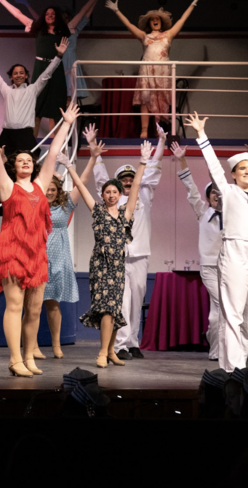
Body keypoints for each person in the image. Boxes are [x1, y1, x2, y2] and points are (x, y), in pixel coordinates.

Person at [0, 98, 76, 376]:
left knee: (34, 310)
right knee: (15, 306)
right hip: (13, 252)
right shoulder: (7, 187)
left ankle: (29, 357)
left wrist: (65, 124)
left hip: (37, 254)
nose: (27, 163)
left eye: (30, 160)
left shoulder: (42, 186)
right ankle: (15, 359)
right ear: (15, 166)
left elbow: (53, 153)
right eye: (21, 161)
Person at [86, 122, 165, 359]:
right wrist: (92, 146)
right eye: (124, 180)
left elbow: (153, 167)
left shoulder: (145, 194)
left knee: (137, 298)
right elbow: (100, 177)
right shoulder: (114, 199)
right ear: (119, 184)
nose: (129, 182)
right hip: (117, 258)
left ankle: (133, 343)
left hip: (140, 255)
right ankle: (119, 345)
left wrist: (161, 141)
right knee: (121, 301)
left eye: (131, 179)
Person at [0, 0, 109, 133]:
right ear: (44, 17)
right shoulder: (37, 29)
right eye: (47, 14)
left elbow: (82, 13)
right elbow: (18, 13)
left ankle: (60, 150)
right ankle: (30, 149)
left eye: (53, 14)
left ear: (56, 17)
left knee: (58, 110)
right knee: (36, 109)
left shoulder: (65, 30)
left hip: (56, 70)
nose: (50, 16)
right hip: (40, 68)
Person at [73, 142, 150, 368]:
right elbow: (82, 187)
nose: (111, 195)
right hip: (101, 266)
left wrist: (143, 161)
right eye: (107, 192)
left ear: (119, 195)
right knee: (107, 308)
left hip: (118, 266)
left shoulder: (126, 214)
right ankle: (101, 352)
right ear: (104, 195)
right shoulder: (97, 211)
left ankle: (110, 352)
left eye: (114, 192)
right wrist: (69, 167)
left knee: (115, 309)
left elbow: (135, 187)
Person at [186, 112, 248, 373]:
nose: (247, 173)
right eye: (243, 169)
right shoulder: (230, 192)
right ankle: (234, 368)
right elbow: (214, 168)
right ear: (233, 175)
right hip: (234, 251)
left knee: (244, 317)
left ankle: (239, 361)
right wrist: (201, 135)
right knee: (232, 313)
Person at [106, 0, 199, 137]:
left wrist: (192, 5)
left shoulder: (169, 34)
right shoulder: (144, 36)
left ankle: (158, 130)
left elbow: (182, 20)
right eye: (152, 20)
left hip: (163, 71)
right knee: (145, 99)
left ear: (161, 22)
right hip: (147, 70)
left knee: (161, 99)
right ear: (149, 23)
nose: (155, 21)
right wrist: (116, 10)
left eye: (157, 19)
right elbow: (129, 26)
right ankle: (144, 130)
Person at [36, 152, 99, 360]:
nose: (50, 193)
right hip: (37, 258)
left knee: (53, 303)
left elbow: (82, 182)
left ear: (58, 191)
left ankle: (55, 345)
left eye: (53, 190)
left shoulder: (65, 205)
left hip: (59, 259)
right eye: (47, 189)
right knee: (33, 305)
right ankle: (32, 345)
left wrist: (92, 158)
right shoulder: (34, 207)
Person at [11, 0, 110, 105]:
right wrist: (27, 5)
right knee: (56, 94)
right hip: (58, 59)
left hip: (69, 60)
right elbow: (38, 19)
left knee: (69, 94)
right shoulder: (55, 30)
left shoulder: (73, 29)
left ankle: (68, 118)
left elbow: (84, 14)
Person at [0, 37, 68, 155]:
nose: (18, 75)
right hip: (7, 135)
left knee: (28, 166)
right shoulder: (6, 90)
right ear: (11, 77)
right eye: (15, 73)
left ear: (26, 76)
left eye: (21, 73)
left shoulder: (33, 89)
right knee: (2, 166)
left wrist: (58, 56)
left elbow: (47, 74)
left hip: (26, 135)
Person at [172, 142, 222, 361]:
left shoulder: (233, 213)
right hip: (210, 267)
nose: (216, 196)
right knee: (222, 305)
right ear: (208, 196)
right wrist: (182, 159)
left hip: (232, 266)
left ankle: (221, 349)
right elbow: (191, 188)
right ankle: (218, 351)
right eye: (212, 193)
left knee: (218, 313)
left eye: (219, 193)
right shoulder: (203, 212)